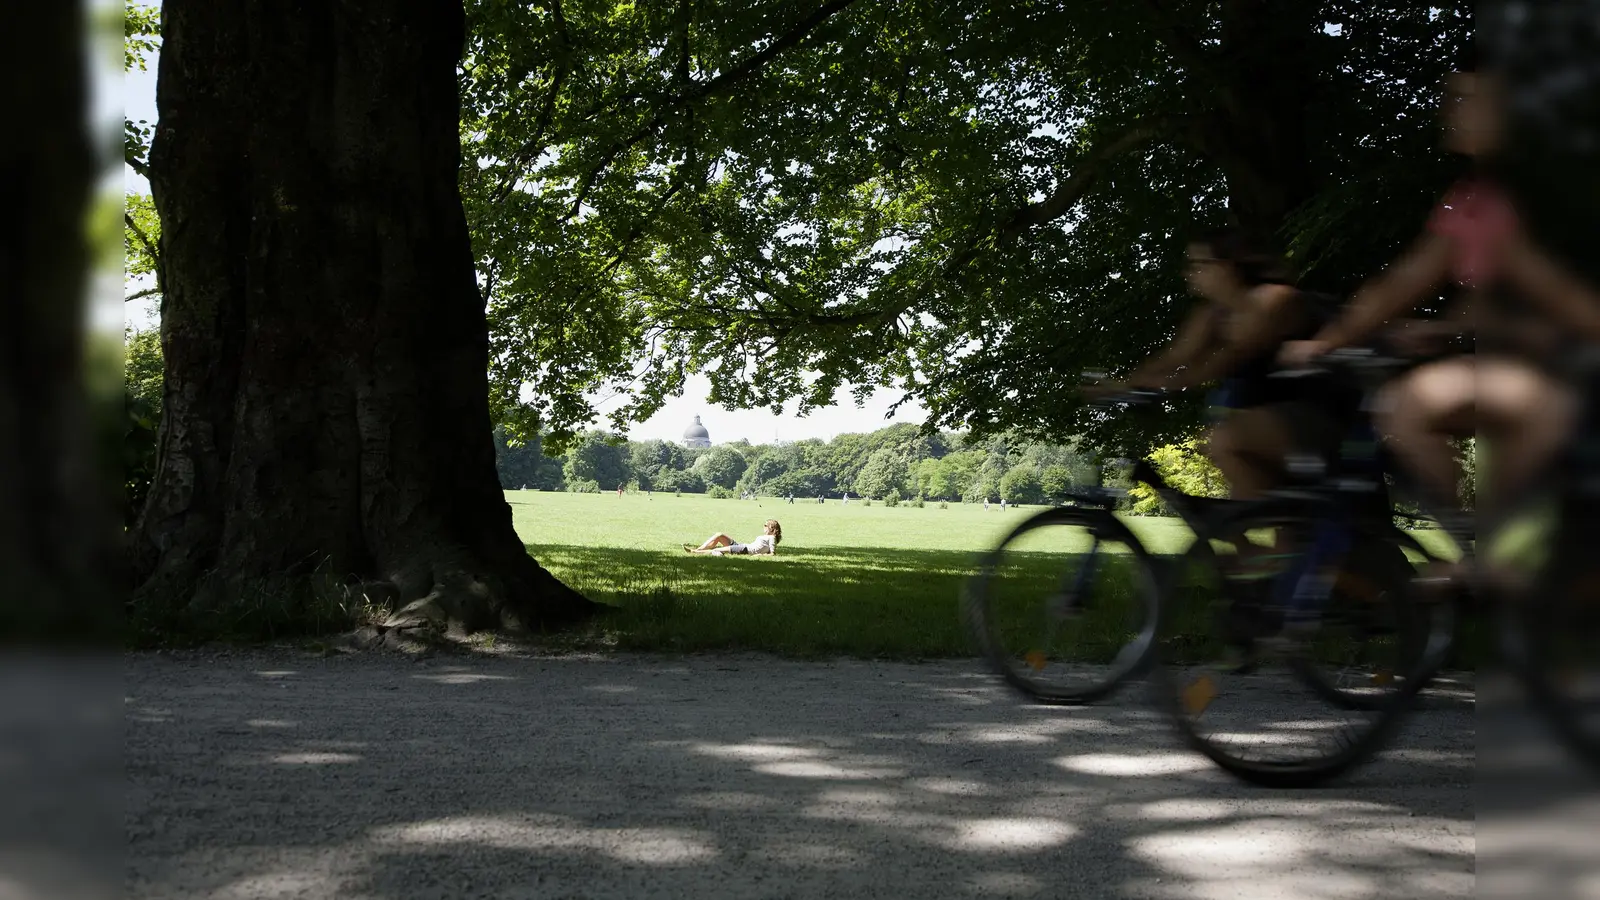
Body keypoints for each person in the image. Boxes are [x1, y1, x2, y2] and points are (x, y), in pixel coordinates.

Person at [1280, 57, 1600, 519]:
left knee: (1415, 404)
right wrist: (1441, 327)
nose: (1451, 109)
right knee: (1411, 407)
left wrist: (1327, 342)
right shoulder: (1470, 200)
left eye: (1468, 98)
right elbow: (1406, 280)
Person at [1091, 228, 1359, 501]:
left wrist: (1168, 384)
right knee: (1250, 510)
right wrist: (1122, 385)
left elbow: (1228, 358)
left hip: (1327, 416)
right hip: (1273, 421)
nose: (1189, 272)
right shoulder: (1211, 315)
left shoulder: (1274, 299)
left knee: (1223, 440)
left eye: (1200, 264)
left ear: (1229, 266)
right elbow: (1174, 357)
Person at [684, 520, 783, 556]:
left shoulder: (772, 538)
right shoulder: (767, 537)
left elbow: (772, 553)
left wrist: (760, 556)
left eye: (765, 525)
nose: (764, 527)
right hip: (742, 546)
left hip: (745, 550)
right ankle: (699, 549)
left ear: (771, 527)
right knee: (719, 535)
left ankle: (694, 552)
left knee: (716, 549)